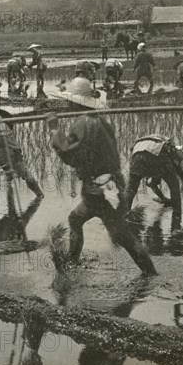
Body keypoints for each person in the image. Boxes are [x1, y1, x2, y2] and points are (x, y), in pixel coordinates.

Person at [47, 77, 157, 276]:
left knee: (125, 238)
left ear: (74, 102)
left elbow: (69, 154)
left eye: (69, 101)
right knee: (75, 219)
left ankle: (151, 274)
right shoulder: (98, 121)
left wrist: (55, 129)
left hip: (103, 191)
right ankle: (73, 263)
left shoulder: (83, 123)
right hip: (102, 188)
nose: (67, 105)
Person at [126, 135, 183, 227]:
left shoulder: (165, 149)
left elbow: (150, 183)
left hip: (136, 156)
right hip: (156, 154)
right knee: (174, 185)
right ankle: (177, 218)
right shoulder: (178, 153)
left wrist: (163, 199)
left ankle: (123, 215)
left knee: (131, 190)